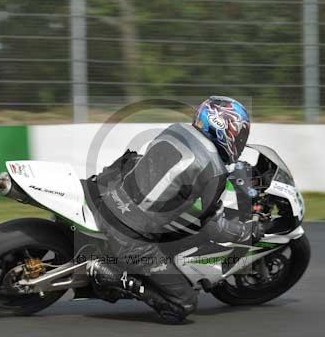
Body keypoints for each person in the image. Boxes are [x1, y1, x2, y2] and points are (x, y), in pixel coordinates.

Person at [83, 96, 267, 323]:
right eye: (238, 135)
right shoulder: (215, 170)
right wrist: (246, 233)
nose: (239, 142)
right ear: (223, 128)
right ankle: (111, 276)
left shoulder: (177, 130)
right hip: (129, 237)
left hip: (109, 196)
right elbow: (212, 227)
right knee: (183, 304)